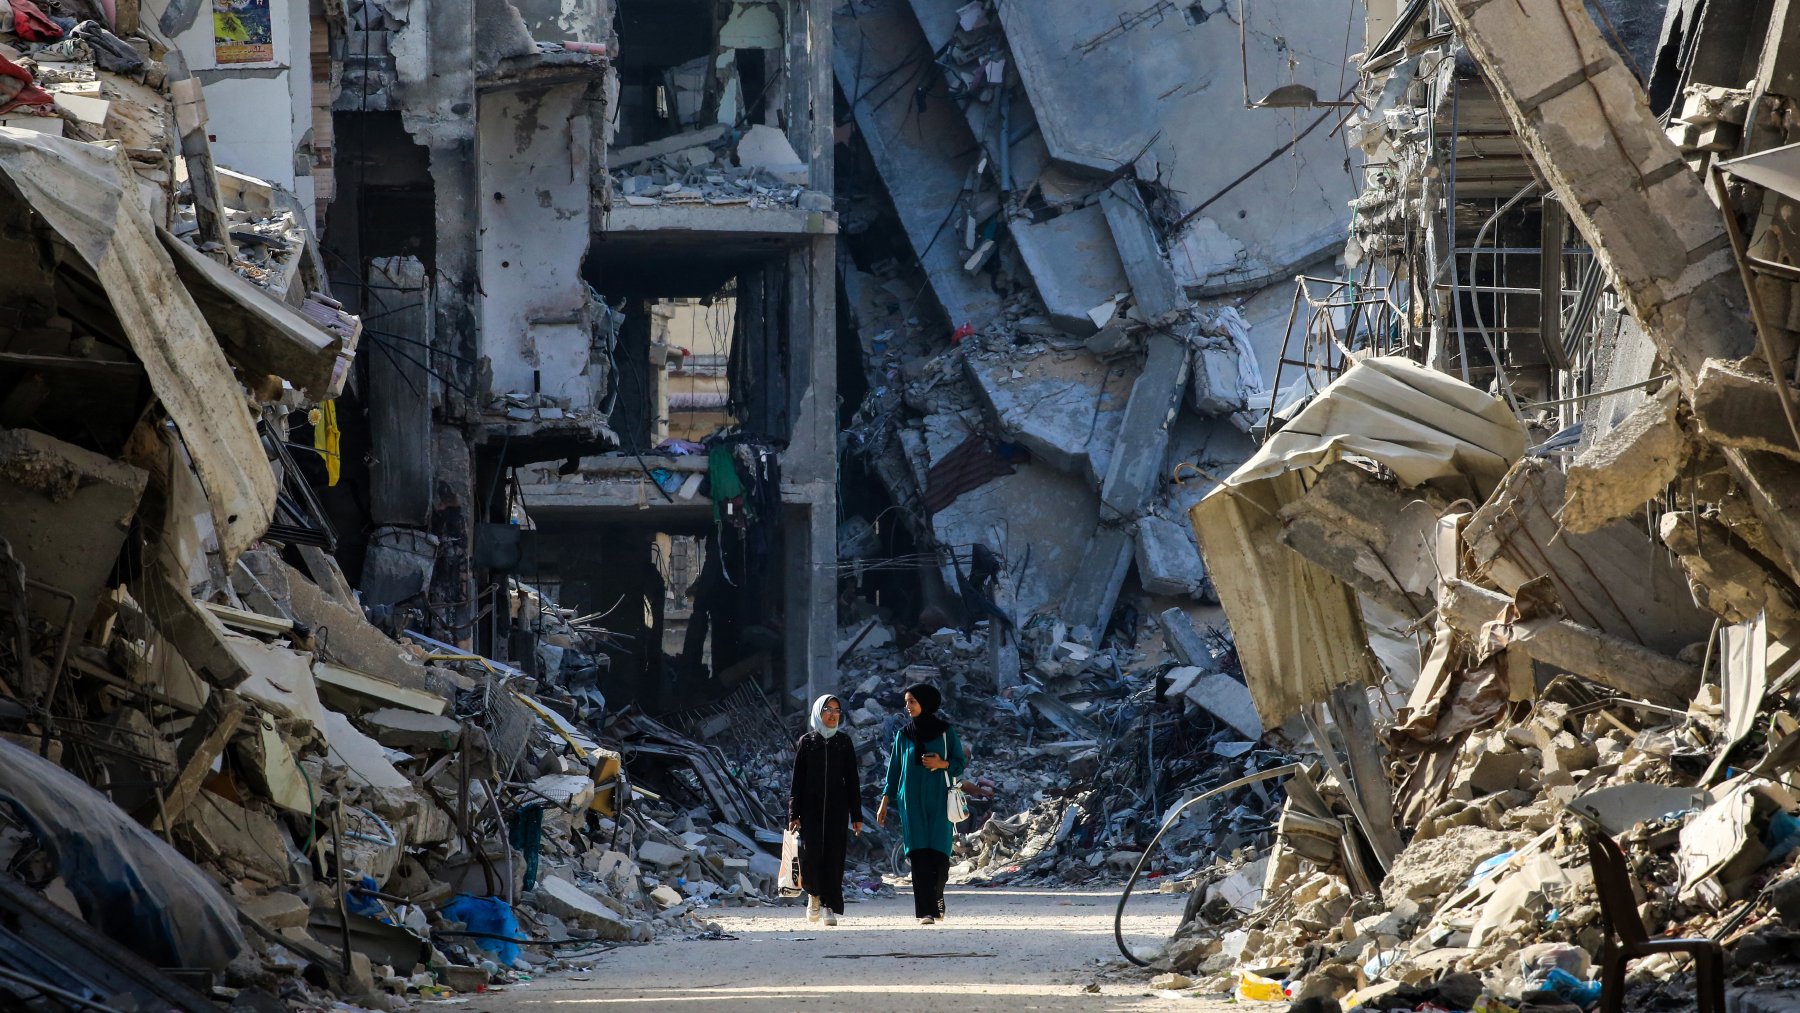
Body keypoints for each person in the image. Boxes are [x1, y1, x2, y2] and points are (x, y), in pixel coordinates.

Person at [876, 683, 964, 924]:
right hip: (911, 801)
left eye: (912, 701)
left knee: (939, 855)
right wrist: (885, 801)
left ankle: (937, 896)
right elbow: (893, 772)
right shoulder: (903, 735)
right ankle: (926, 910)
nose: (907, 707)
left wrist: (942, 764)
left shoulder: (946, 732)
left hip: (939, 799)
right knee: (918, 855)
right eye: (906, 702)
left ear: (926, 702)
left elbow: (960, 763)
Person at [788, 694, 862, 925]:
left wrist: (856, 815)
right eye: (827, 710)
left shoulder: (844, 742)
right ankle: (814, 897)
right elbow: (797, 781)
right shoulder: (807, 742)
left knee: (833, 857)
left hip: (837, 810)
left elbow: (852, 780)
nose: (832, 715)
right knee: (810, 856)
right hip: (810, 809)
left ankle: (830, 905)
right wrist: (794, 813)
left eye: (837, 710)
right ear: (818, 713)